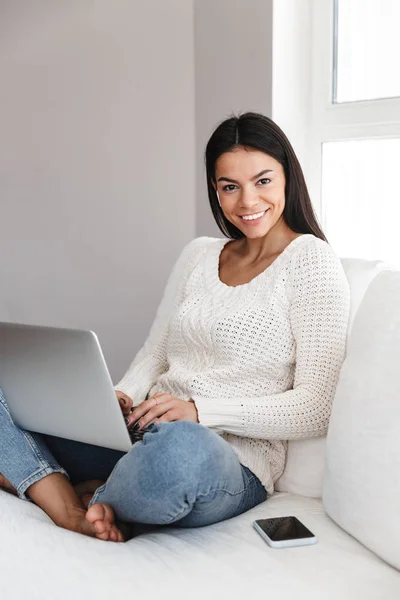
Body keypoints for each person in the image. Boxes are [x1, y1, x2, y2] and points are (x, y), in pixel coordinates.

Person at [0, 112, 351, 543]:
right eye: (229, 187)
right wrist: (122, 395)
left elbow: (318, 406)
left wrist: (201, 412)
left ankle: (50, 479)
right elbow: (157, 352)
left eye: (262, 181)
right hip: (138, 435)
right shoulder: (200, 255)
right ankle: (69, 501)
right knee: (16, 388)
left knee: (179, 453)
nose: (247, 202)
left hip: (221, 459)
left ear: (287, 179)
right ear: (214, 189)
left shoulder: (311, 261)